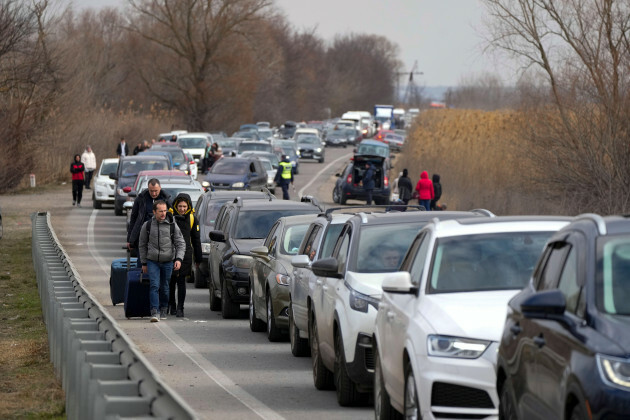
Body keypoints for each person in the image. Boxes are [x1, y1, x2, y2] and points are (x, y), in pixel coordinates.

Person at [138, 200, 185, 322]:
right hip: (152, 261)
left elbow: (180, 243)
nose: (163, 213)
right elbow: (142, 245)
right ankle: (155, 311)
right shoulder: (147, 225)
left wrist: (179, 259)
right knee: (154, 285)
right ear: (154, 212)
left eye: (165, 211)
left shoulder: (172, 225)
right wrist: (144, 262)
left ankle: (164, 307)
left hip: (168, 261)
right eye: (160, 211)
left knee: (165, 287)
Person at [168, 193, 202, 317]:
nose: (182, 209)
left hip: (186, 255)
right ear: (176, 206)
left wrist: (198, 258)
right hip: (170, 254)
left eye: (184, 206)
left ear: (188, 207)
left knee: (181, 281)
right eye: (180, 206)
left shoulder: (193, 219)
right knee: (171, 281)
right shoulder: (169, 217)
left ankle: (180, 307)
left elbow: (196, 240)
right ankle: (171, 304)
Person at [127, 178, 171, 255]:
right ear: (148, 189)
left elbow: (172, 219)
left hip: (161, 238)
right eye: (151, 191)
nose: (153, 193)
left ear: (160, 188)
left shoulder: (166, 200)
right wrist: (130, 239)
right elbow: (134, 219)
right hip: (143, 237)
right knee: (142, 263)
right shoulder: (141, 199)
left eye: (156, 191)